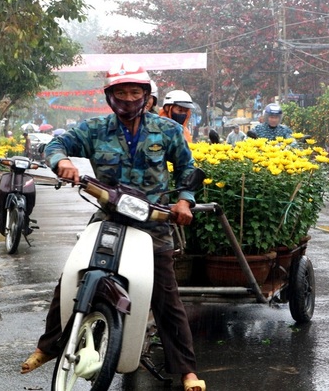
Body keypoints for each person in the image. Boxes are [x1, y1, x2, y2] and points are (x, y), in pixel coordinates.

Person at [20, 62, 205, 391]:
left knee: (166, 297)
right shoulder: (94, 129)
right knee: (71, 277)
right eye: (121, 92)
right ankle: (47, 348)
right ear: (109, 96)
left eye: (135, 91)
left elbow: (187, 168)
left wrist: (184, 201)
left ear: (146, 96)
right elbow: (56, 145)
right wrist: (61, 161)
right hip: (109, 216)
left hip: (155, 221)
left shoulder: (168, 131)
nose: (128, 97)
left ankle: (188, 370)